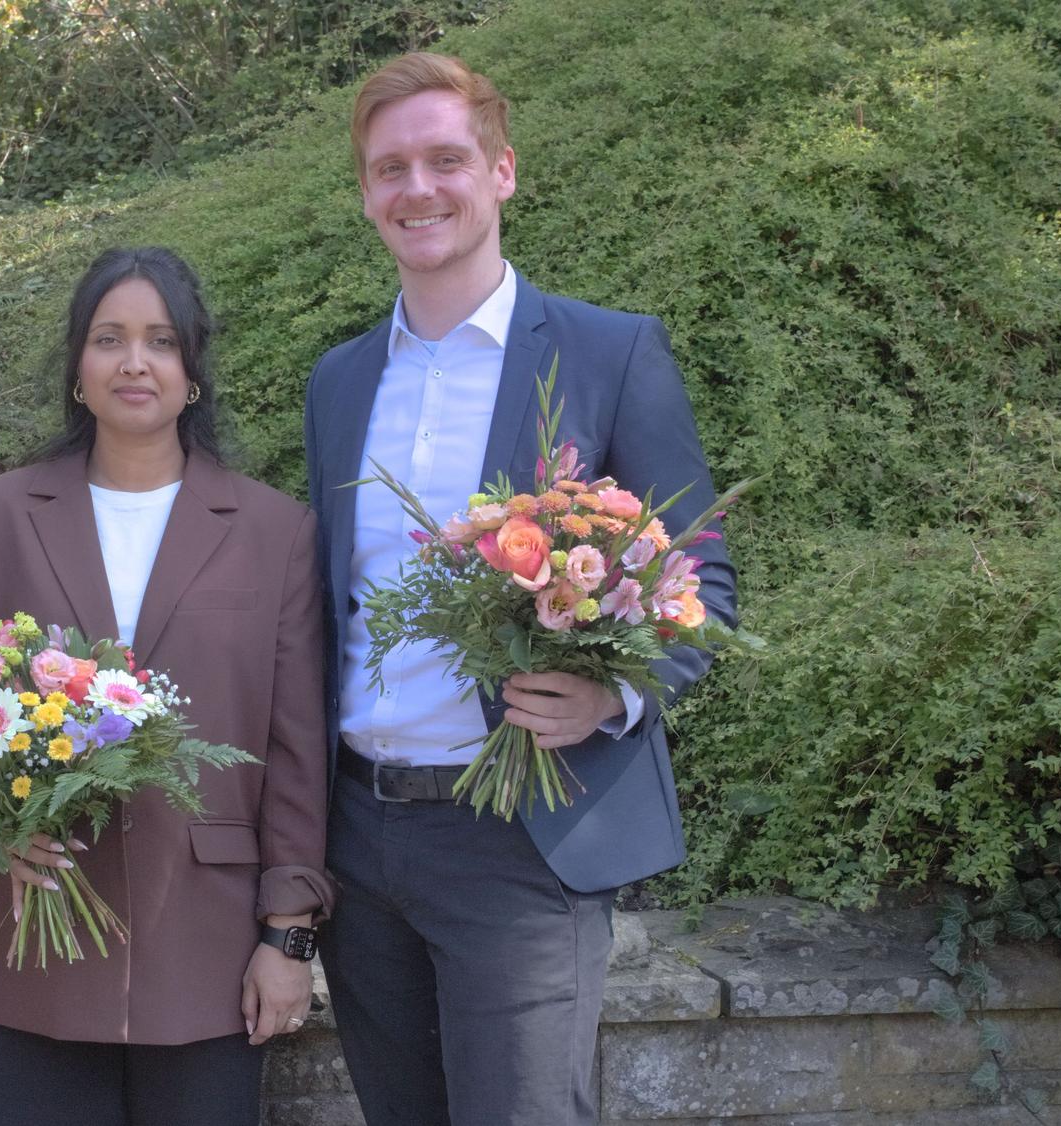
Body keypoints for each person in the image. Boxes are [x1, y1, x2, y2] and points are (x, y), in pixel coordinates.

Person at [304, 53, 738, 1125]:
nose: (417, 188)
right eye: (389, 167)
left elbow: (704, 580)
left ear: (501, 171)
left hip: (520, 832)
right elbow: (331, 600)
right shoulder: (338, 379)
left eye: (445, 158)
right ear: (364, 193)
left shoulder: (609, 353)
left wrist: (612, 695)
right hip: (359, 837)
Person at [0, 246, 334, 1126]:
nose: (135, 362)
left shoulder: (274, 530)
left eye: (161, 341)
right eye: (109, 339)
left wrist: (288, 936)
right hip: (40, 923)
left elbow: (296, 754)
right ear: (78, 367)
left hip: (210, 942)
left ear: (194, 371)